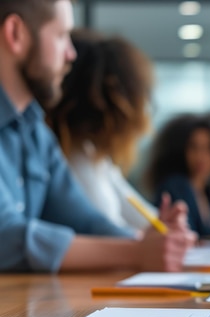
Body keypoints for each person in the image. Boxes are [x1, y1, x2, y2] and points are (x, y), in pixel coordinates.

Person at [0, 0, 194, 272]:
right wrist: (135, 252)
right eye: (60, 36)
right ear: (15, 34)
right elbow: (5, 237)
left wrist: (157, 243)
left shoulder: (35, 132)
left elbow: (86, 220)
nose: (71, 54)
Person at [46, 28, 156, 232]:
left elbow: (142, 217)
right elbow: (108, 232)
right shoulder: (66, 157)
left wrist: (165, 228)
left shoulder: (94, 156)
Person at [145, 113, 210, 236]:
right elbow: (186, 235)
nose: (201, 156)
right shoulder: (175, 186)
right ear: (182, 150)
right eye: (194, 147)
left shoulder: (208, 194)